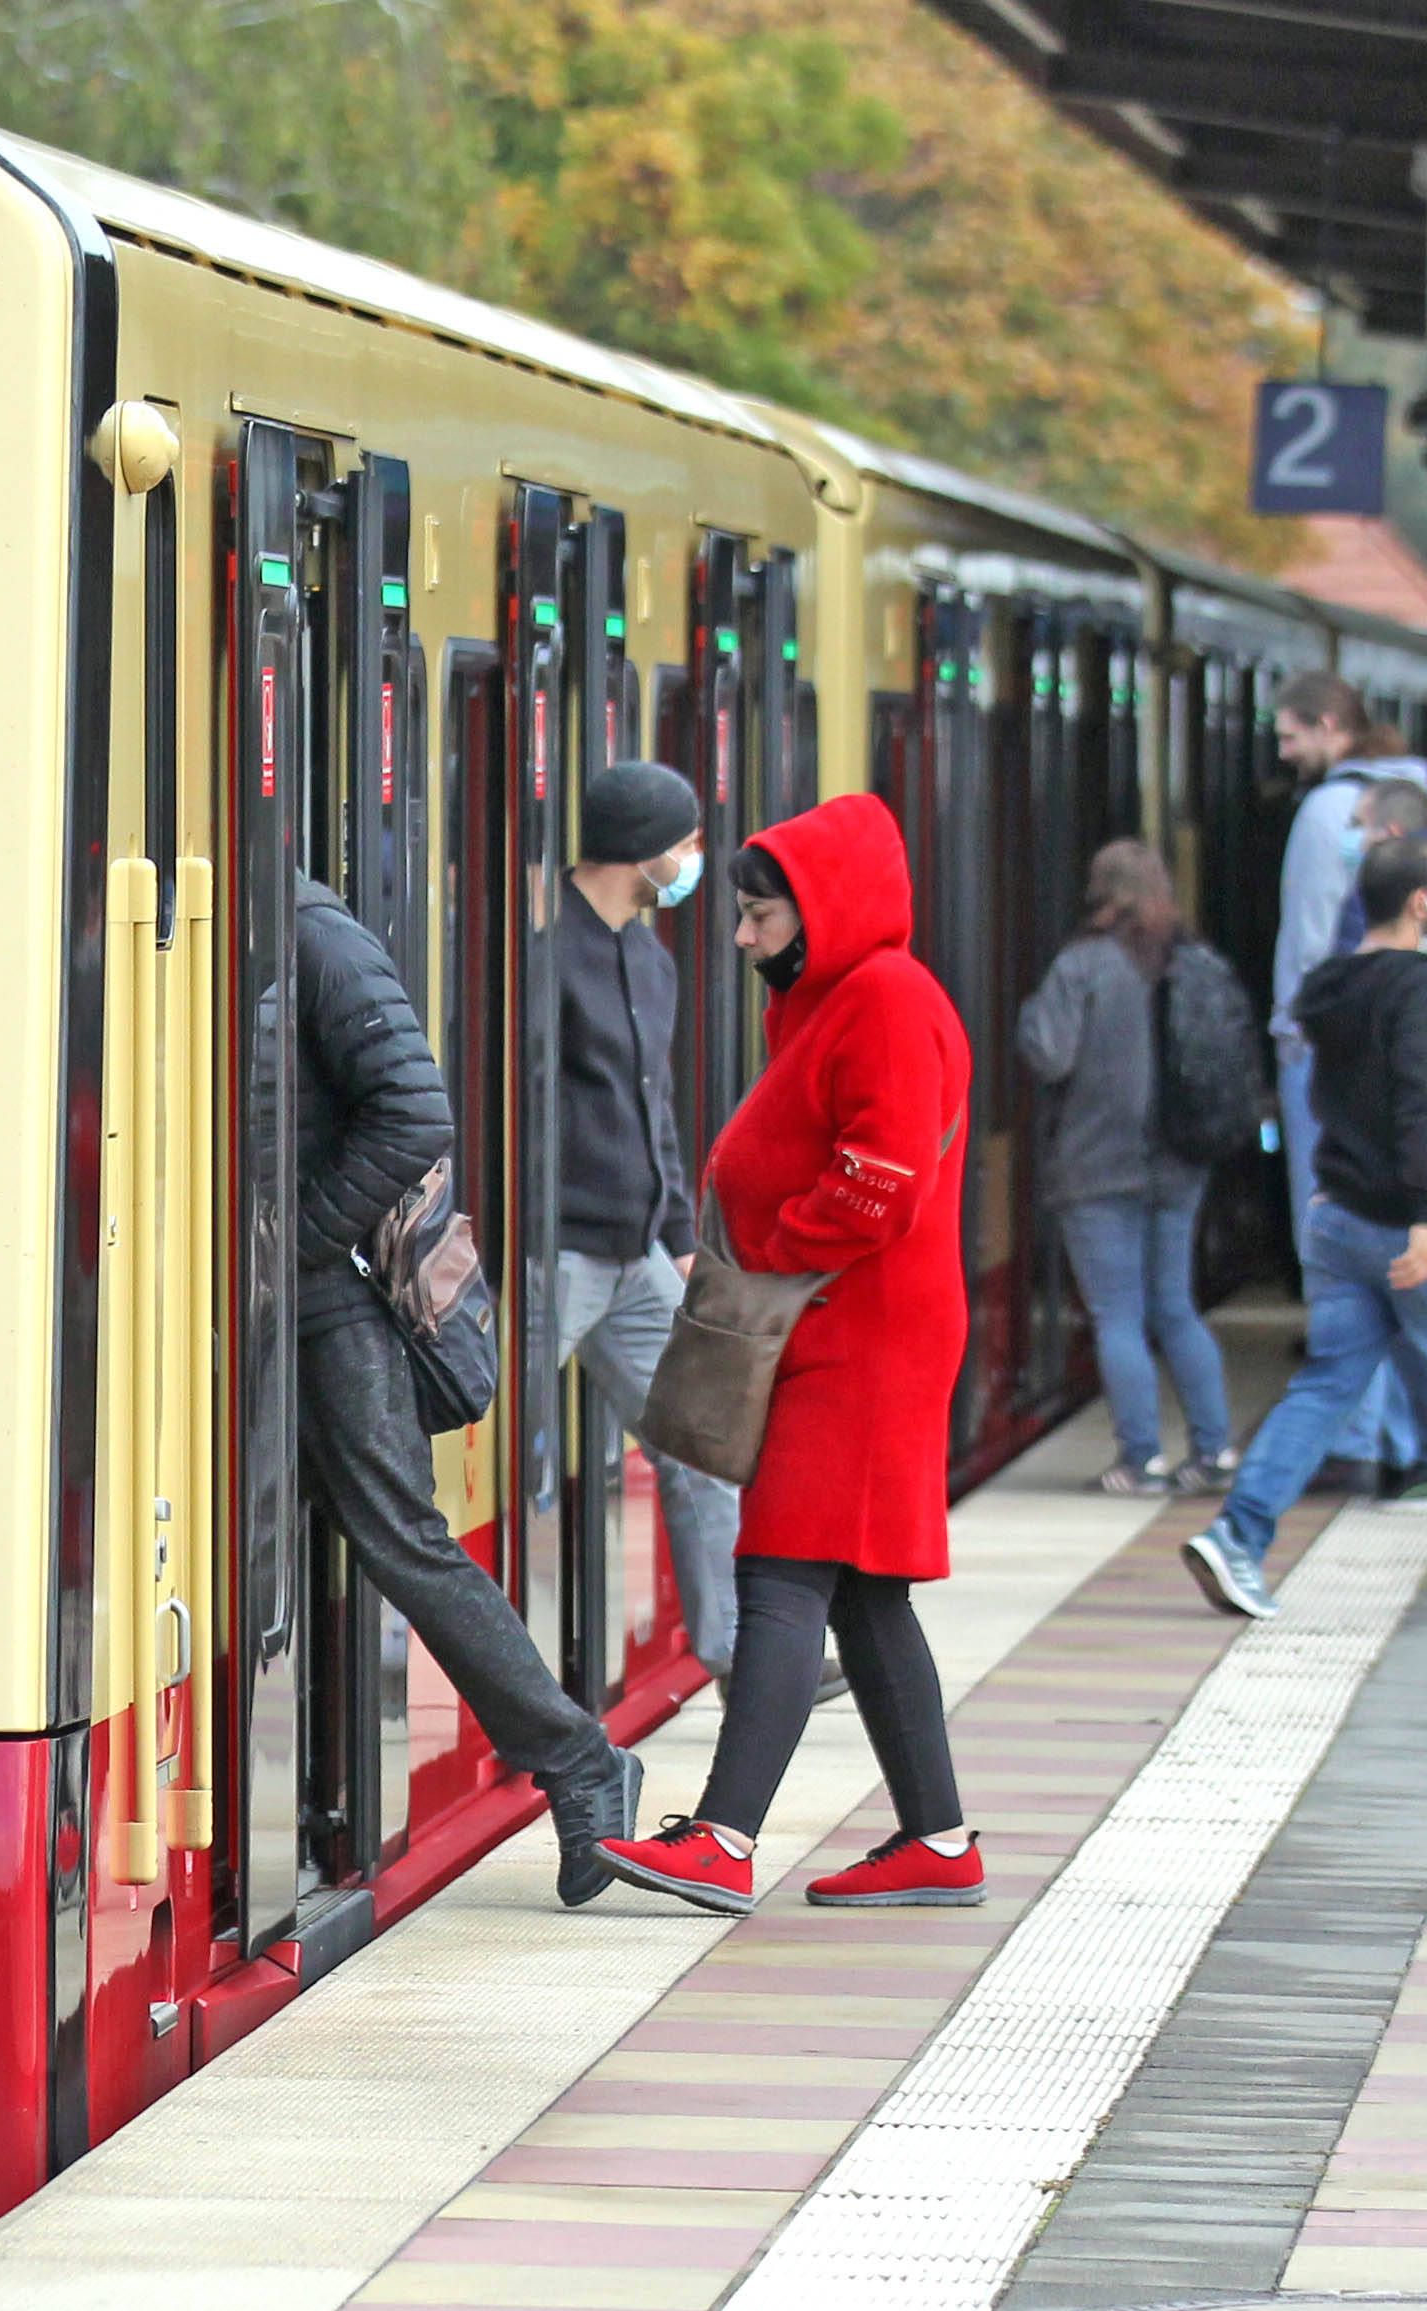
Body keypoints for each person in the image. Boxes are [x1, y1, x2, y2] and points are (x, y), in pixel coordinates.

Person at [582, 795, 981, 1918]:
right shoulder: (836, 1000)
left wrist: (772, 1245)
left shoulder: (888, 1003)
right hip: (840, 1323)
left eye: (760, 918)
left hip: (861, 1331)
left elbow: (883, 1179)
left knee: (784, 1571)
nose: (744, 937)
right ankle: (937, 1842)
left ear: (825, 910)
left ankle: (723, 1838)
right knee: (864, 1596)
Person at [283, 870, 645, 1902]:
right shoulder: (271, 921)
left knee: (403, 1536)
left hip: (330, 1305)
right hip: (292, 1301)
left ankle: (580, 1762)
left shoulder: (312, 930)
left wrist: (296, 1246)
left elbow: (413, 1113)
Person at [1182, 838, 1427, 1631]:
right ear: (1417, 904)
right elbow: (1424, 1107)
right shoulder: (1425, 990)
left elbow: (1339, 1098)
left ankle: (1238, 1532)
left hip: (1339, 1216)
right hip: (1425, 1227)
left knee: (1330, 1380)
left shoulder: (1328, 986)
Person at [551, 760, 742, 1674]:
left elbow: (653, 1105)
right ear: (645, 852)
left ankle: (737, 1648)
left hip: (635, 1256)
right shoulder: (545, 951)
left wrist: (678, 1236)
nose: (694, 860)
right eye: (686, 842)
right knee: (459, 1426)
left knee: (700, 1437)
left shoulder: (649, 960)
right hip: (553, 1251)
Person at [1015, 838, 1240, 1495]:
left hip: (1097, 1166)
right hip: (1179, 1163)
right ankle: (1214, 1450)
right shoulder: (1193, 961)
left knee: (1117, 1314)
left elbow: (1048, 1054)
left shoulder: (1082, 965)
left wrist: (1031, 1013)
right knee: (1175, 1307)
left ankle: (1140, 1459)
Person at [1268, 676, 1427, 1477]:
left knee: (1338, 1238)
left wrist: (1292, 1032)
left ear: (1331, 726)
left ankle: (1357, 1437)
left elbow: (1309, 936)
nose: (1282, 754)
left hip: (1338, 1056)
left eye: (1290, 735)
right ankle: (1408, 1439)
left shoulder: (1324, 815)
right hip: (1417, 1050)